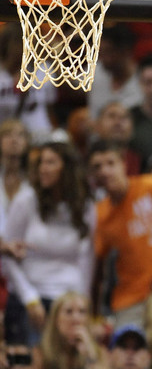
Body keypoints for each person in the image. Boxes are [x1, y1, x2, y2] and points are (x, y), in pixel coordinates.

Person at [89, 139, 152, 328]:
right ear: (92, 175)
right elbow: (98, 268)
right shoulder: (100, 213)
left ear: (123, 164)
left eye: (110, 163)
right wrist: (94, 314)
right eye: (97, 167)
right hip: (130, 297)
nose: (104, 171)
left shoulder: (151, 186)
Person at [3, 142, 96, 346]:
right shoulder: (26, 200)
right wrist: (29, 298)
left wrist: (81, 301)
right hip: (28, 299)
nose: (43, 168)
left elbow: (87, 257)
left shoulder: (85, 205)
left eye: (51, 162)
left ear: (68, 168)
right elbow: (7, 254)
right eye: (41, 163)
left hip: (68, 301)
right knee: (25, 363)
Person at [39, 291, 109, 369]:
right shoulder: (41, 353)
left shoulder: (100, 353)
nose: (76, 319)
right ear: (55, 319)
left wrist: (89, 354)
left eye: (82, 312)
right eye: (69, 311)